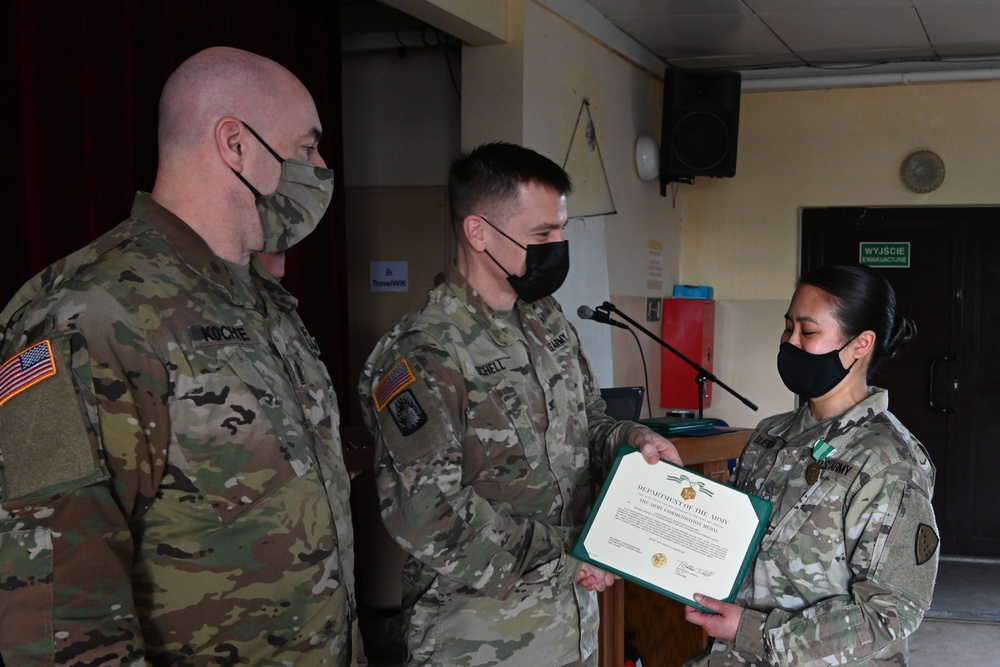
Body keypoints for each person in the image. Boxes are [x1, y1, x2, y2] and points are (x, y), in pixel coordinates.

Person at [0, 47, 363, 665]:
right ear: (235, 145)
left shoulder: (268, 305)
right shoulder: (85, 314)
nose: (321, 167)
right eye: (307, 148)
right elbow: (58, 606)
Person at [358, 142, 681, 667]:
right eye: (542, 235)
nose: (558, 247)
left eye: (561, 231)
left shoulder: (546, 320)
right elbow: (425, 513)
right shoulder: (425, 351)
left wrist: (633, 440)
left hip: (571, 623)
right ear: (479, 232)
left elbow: (588, 423)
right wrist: (567, 556)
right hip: (476, 636)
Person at [684, 264, 938, 667]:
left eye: (809, 331)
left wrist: (752, 632)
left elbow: (890, 613)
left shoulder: (889, 462)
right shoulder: (771, 434)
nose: (790, 342)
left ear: (861, 343)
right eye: (788, 328)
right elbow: (727, 539)